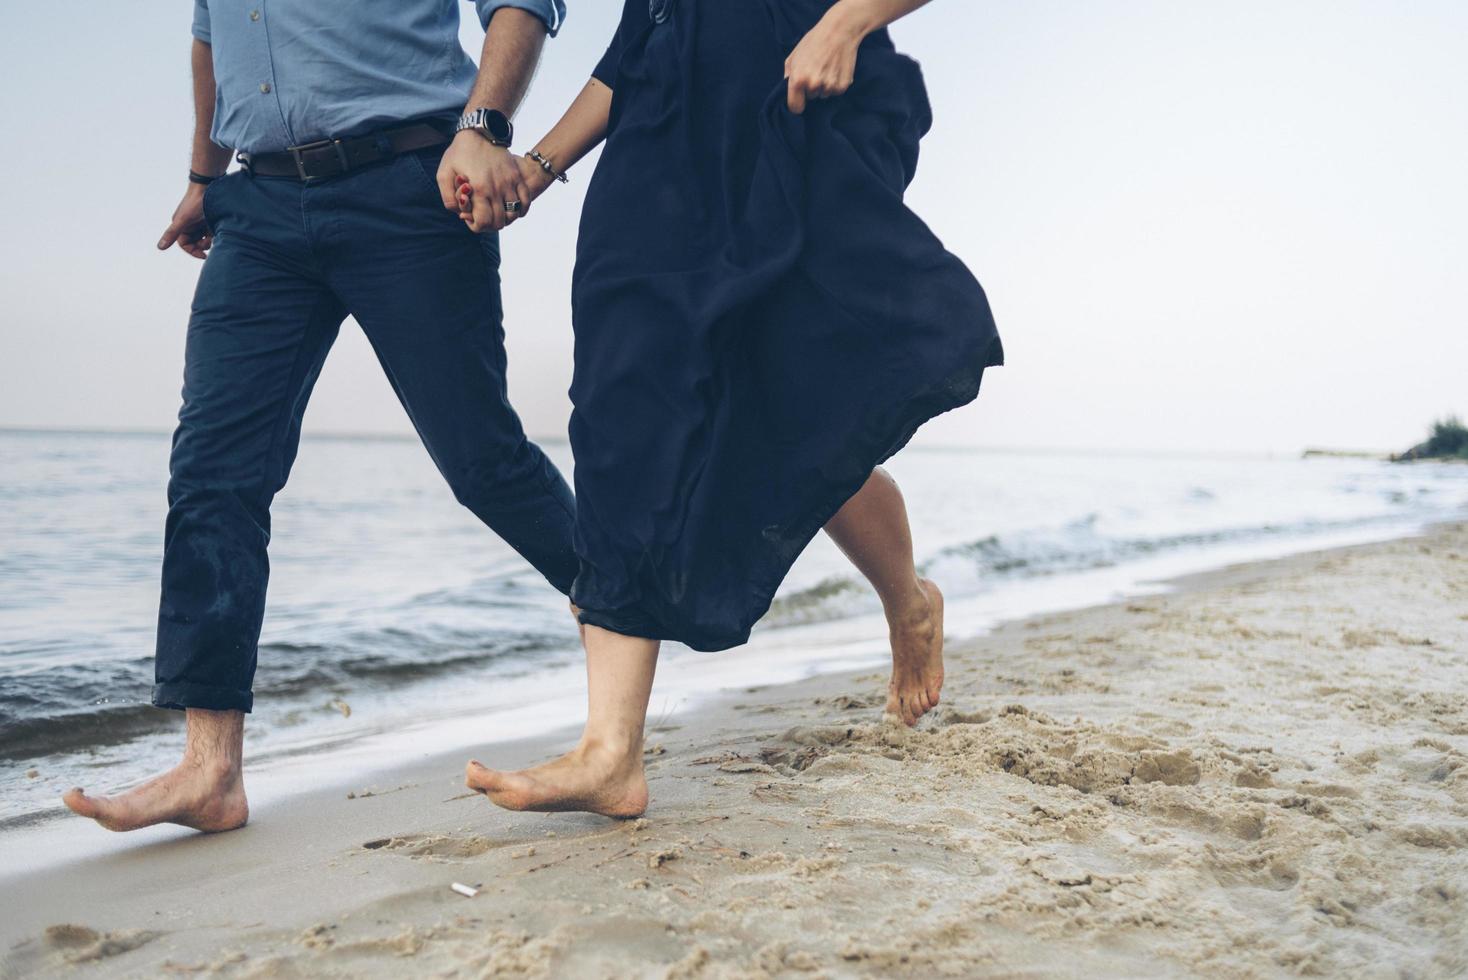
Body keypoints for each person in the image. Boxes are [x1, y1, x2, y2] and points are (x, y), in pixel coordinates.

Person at [460, 0, 1003, 818]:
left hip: (797, 109)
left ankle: (907, 599)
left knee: (790, 399)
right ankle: (611, 753)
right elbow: (639, 39)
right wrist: (538, 167)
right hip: (659, 147)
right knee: (618, 409)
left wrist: (846, 21)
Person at [64, 0, 576, 834]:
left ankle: (632, 630)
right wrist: (204, 175)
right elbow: (210, 36)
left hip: (410, 183)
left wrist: (485, 126)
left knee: (483, 461)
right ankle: (210, 771)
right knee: (211, 474)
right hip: (258, 206)